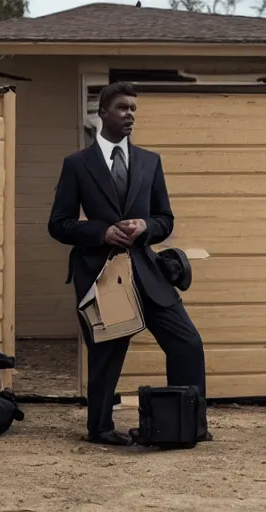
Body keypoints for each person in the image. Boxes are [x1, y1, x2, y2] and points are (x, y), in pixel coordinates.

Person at [47, 81, 210, 446]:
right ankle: (100, 428)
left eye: (134, 108)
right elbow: (58, 225)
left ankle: (191, 423)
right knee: (106, 356)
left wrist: (145, 226)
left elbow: (165, 219)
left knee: (188, 343)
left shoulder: (150, 162)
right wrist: (101, 233)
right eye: (122, 107)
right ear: (102, 113)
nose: (130, 114)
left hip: (147, 273)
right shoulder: (76, 165)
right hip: (103, 277)